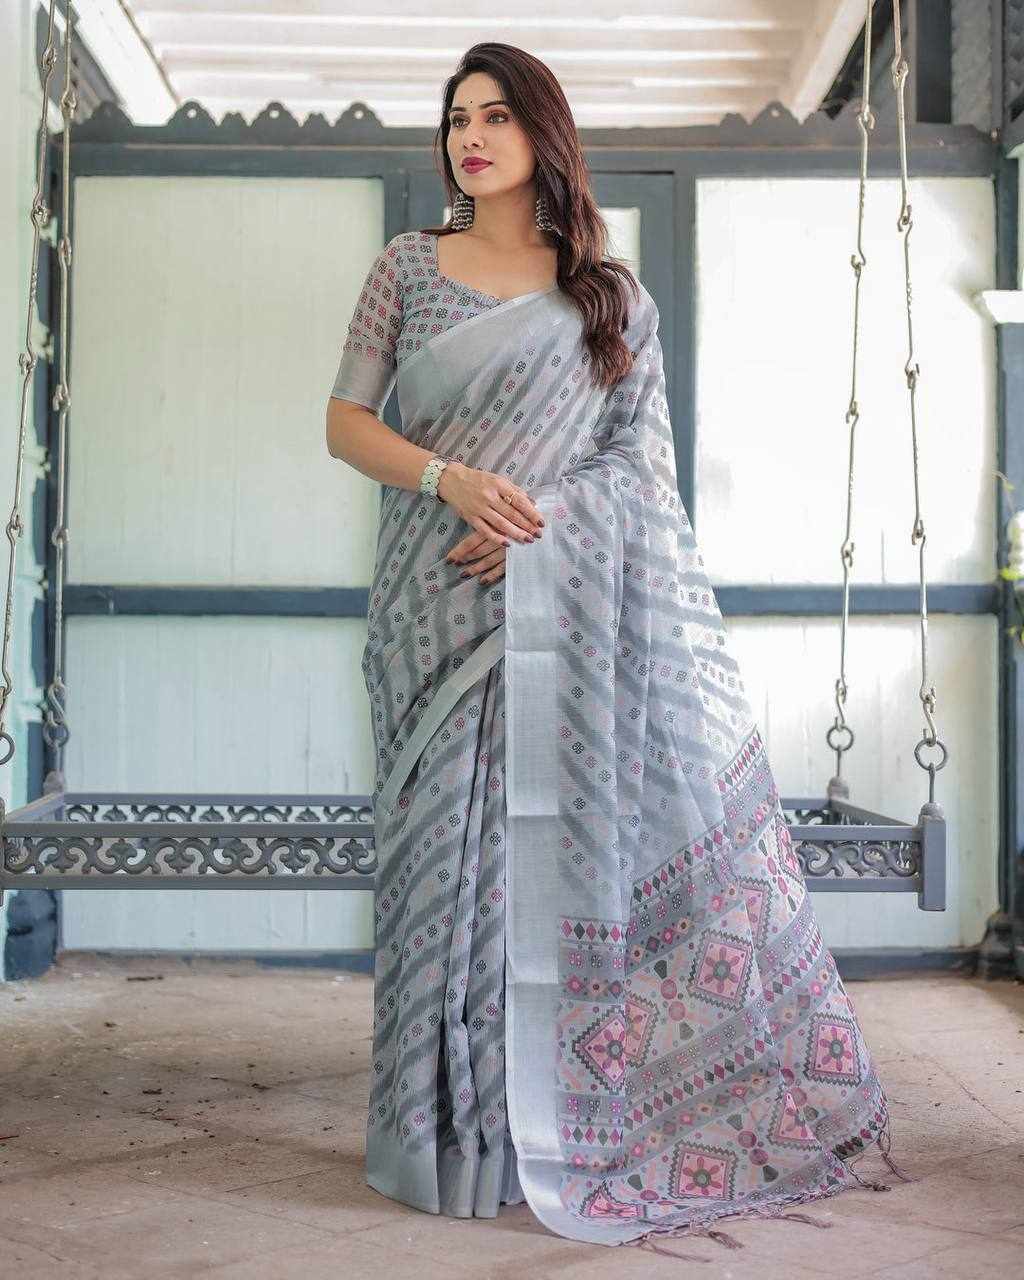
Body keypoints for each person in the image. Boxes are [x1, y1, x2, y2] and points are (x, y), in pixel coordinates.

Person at [324, 41, 903, 1253]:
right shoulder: (406, 268)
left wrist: (541, 531)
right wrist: (451, 480)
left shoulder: (610, 298)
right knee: (433, 876)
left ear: (543, 132)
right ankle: (436, 1139)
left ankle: (539, 1125)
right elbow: (346, 424)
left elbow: (639, 470)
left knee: (528, 878)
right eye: (457, 118)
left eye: (496, 116)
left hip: (561, 627)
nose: (470, 137)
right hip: (431, 609)